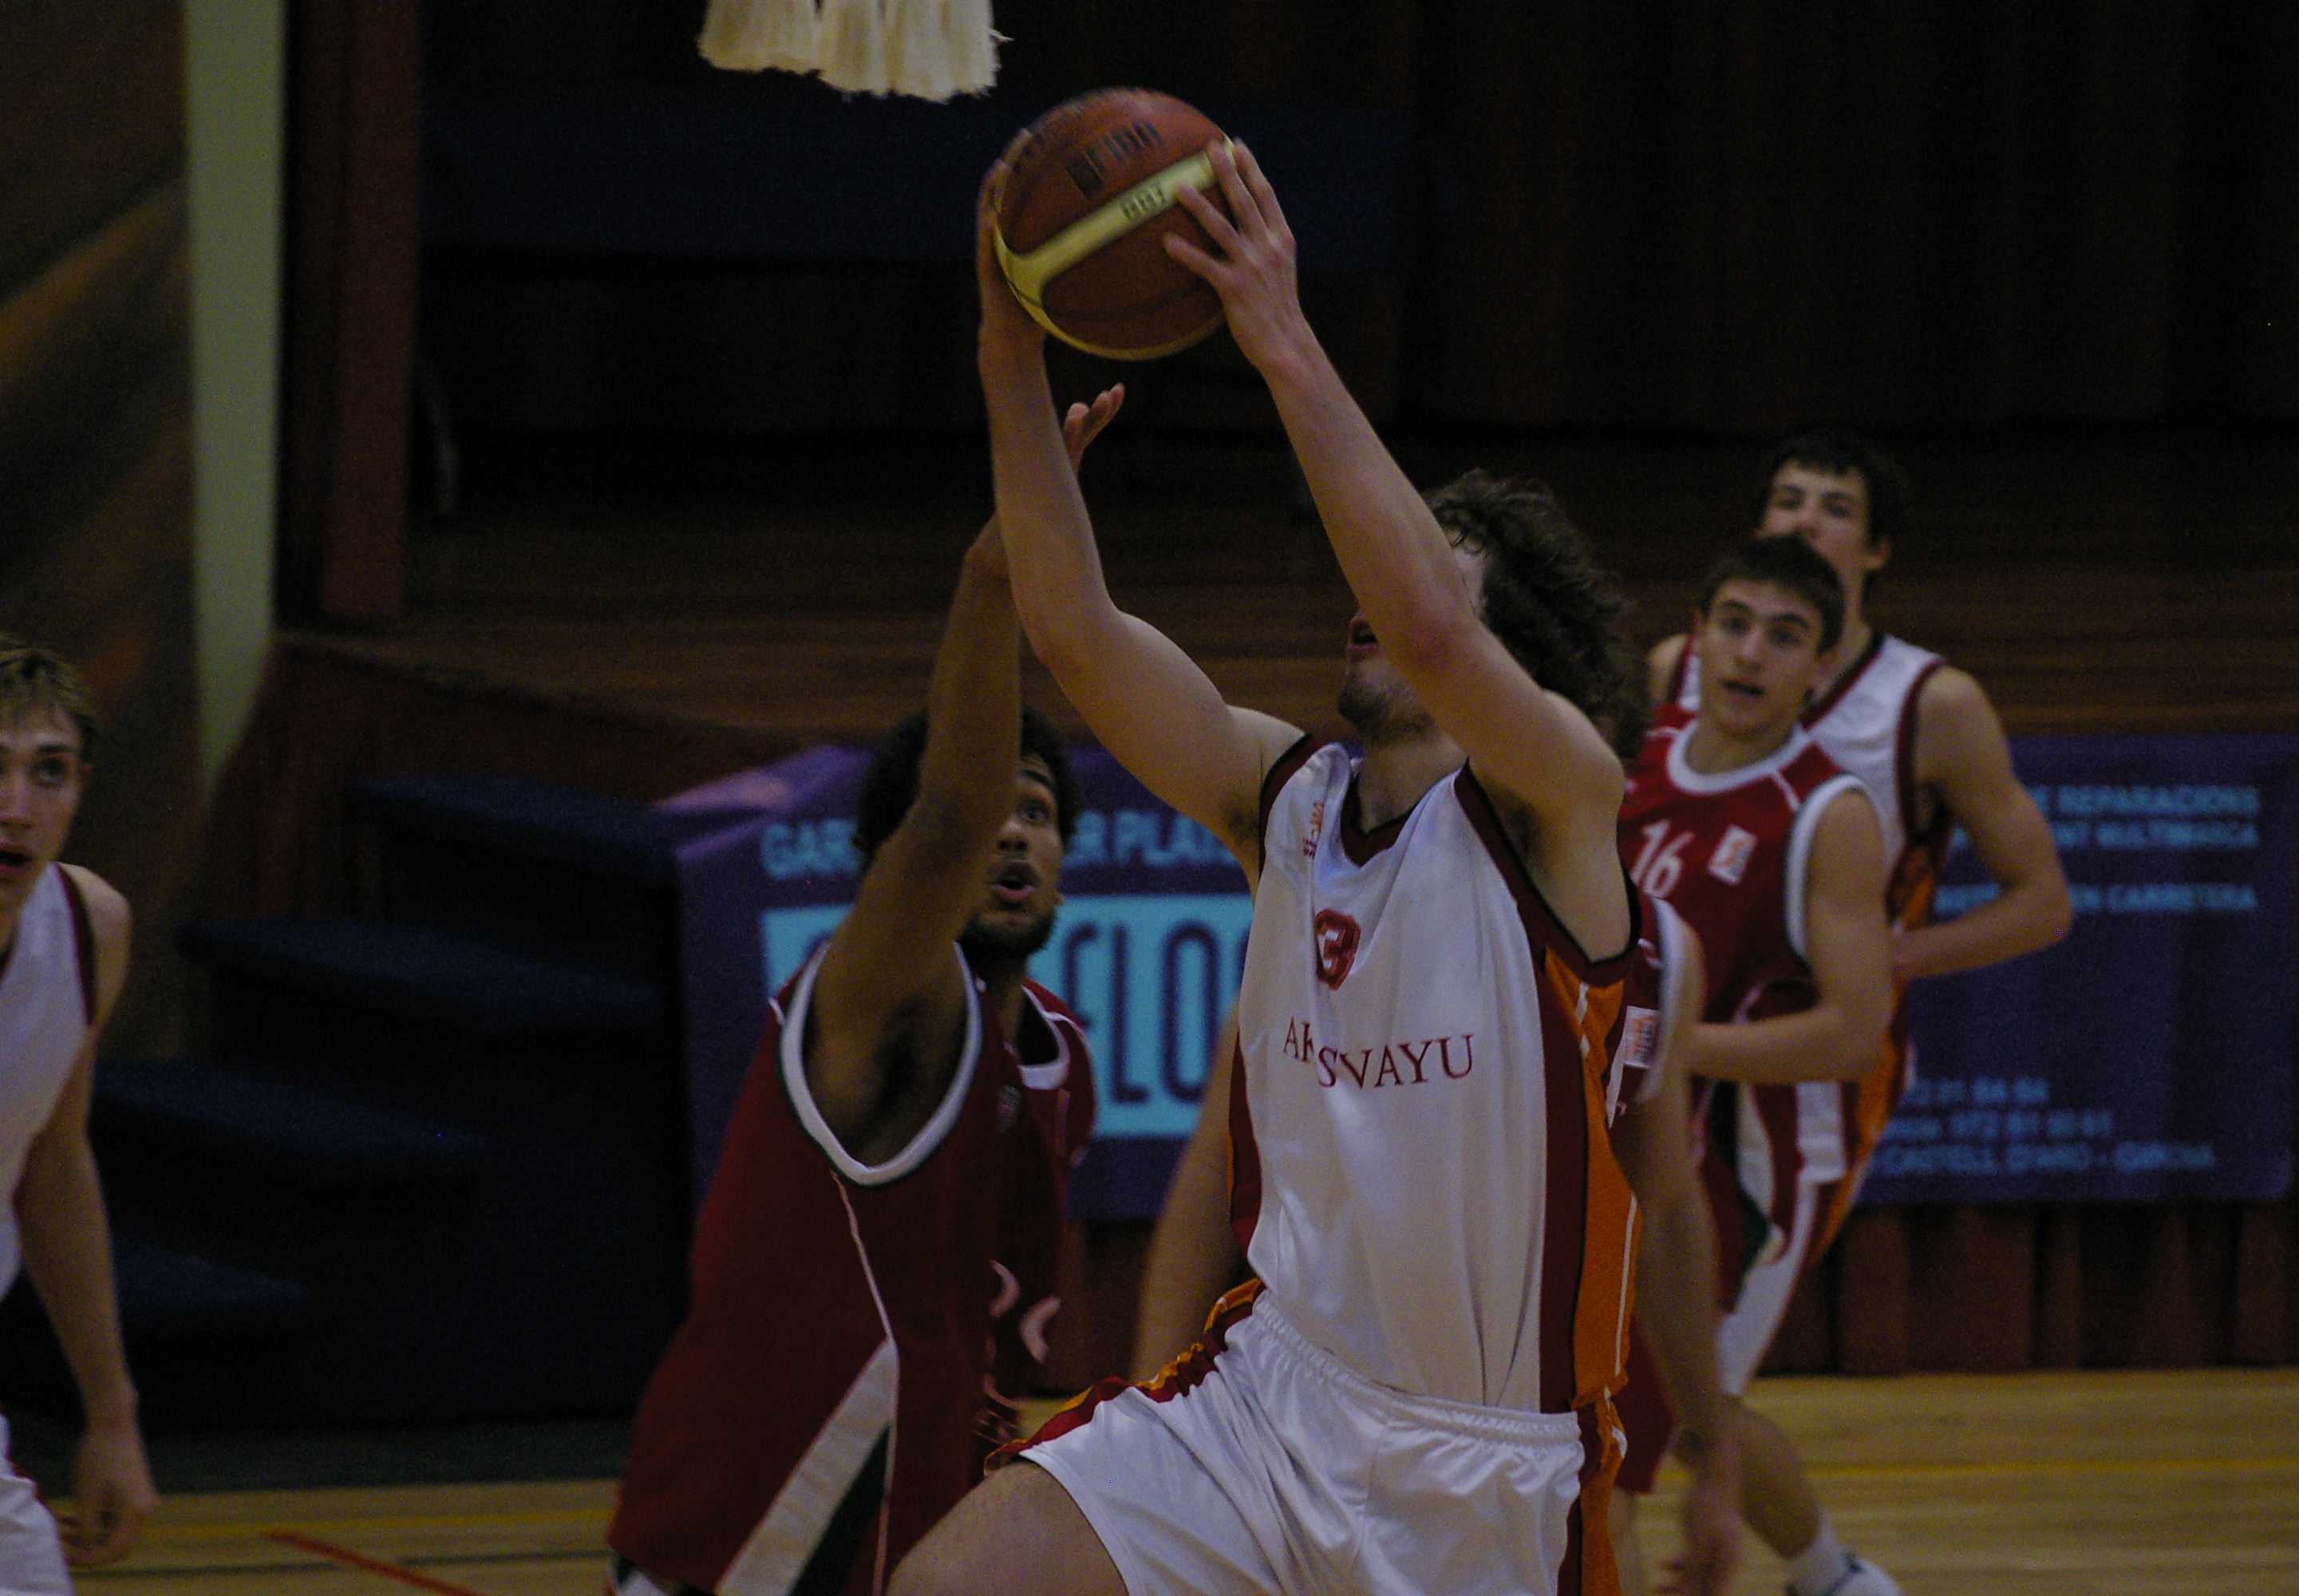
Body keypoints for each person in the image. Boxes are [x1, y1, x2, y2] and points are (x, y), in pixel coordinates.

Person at [896, 142, 1740, 1596]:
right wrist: (1007, 358)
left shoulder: (1558, 806)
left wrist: (1279, 335)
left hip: (1483, 1476)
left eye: (1426, 557)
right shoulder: (1281, 800)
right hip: (1267, 1401)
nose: (1370, 586)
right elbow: (1076, 633)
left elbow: (1432, 631)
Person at [604, 391, 1121, 1596]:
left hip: (906, 1535)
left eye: (1039, 811)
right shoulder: (875, 996)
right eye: (993, 809)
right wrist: (993, 578)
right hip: (741, 1537)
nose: (1011, 832)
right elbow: (947, 817)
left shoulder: (1058, 1058)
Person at [1637, 435, 2074, 1596]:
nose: (1804, 519)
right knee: (1627, 1380)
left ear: (1874, 551)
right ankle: (1829, 1576)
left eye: (1833, 506)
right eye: (1786, 498)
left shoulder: (1930, 703)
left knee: (1685, 1393)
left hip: (1797, 1084)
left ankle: (1832, 1578)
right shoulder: (1673, 682)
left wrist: (1888, 955)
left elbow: (2042, 902)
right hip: (1653, 1069)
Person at [1606, 539, 1893, 1595]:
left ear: (1819, 667)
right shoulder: (1631, 751)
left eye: (1783, 636)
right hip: (1618, 1133)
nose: (1749, 653)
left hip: (1740, 1167)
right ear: (1695, 636)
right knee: (1675, 1418)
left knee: (1640, 1439)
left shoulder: (1827, 813)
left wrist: (1659, 1039)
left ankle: (1833, 1578)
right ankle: (1836, 1580)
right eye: (1733, 624)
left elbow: (1851, 1032)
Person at [0, 638, 159, 1588]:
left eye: (48, 771)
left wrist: (112, 1415)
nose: (15, 806)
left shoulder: (90, 928)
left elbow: (53, 1164)